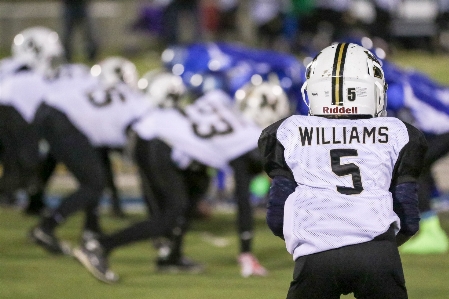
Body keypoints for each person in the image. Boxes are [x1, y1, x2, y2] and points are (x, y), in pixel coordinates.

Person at [258, 43, 428, 298]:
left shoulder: (288, 132)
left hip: (315, 258)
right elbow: (409, 220)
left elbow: (276, 219)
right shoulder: (397, 132)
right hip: (377, 255)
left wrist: (313, 239)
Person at [29, 57, 151, 257]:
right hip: (63, 123)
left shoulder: (89, 83)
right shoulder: (137, 101)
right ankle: (45, 227)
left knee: (95, 176)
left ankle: (90, 229)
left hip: (49, 112)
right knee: (93, 183)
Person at [0, 27, 64, 213]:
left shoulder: (6, 66)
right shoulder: (35, 76)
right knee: (28, 167)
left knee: (19, 165)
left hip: (9, 119)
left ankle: (27, 197)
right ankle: (31, 198)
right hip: (10, 118)